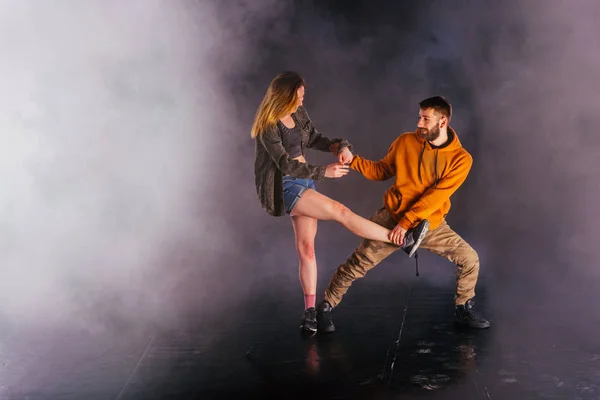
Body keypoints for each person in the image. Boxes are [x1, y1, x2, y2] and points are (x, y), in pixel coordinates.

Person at [251, 71, 428, 333]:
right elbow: (285, 164)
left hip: (305, 181)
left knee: (306, 249)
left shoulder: (298, 114)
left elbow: (314, 138)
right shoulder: (268, 126)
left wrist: (340, 146)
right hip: (286, 186)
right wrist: (325, 172)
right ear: (284, 97)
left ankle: (309, 313)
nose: (301, 103)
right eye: (298, 98)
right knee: (340, 211)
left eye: (302, 97)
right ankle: (403, 240)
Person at [317, 96, 491, 332]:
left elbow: (435, 197)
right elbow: (381, 171)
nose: (419, 123)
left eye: (425, 118)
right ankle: (325, 307)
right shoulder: (405, 141)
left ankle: (464, 308)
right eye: (419, 117)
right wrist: (354, 161)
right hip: (393, 217)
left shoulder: (461, 159)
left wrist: (408, 224)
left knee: (469, 259)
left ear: (442, 122)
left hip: (428, 222)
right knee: (359, 262)